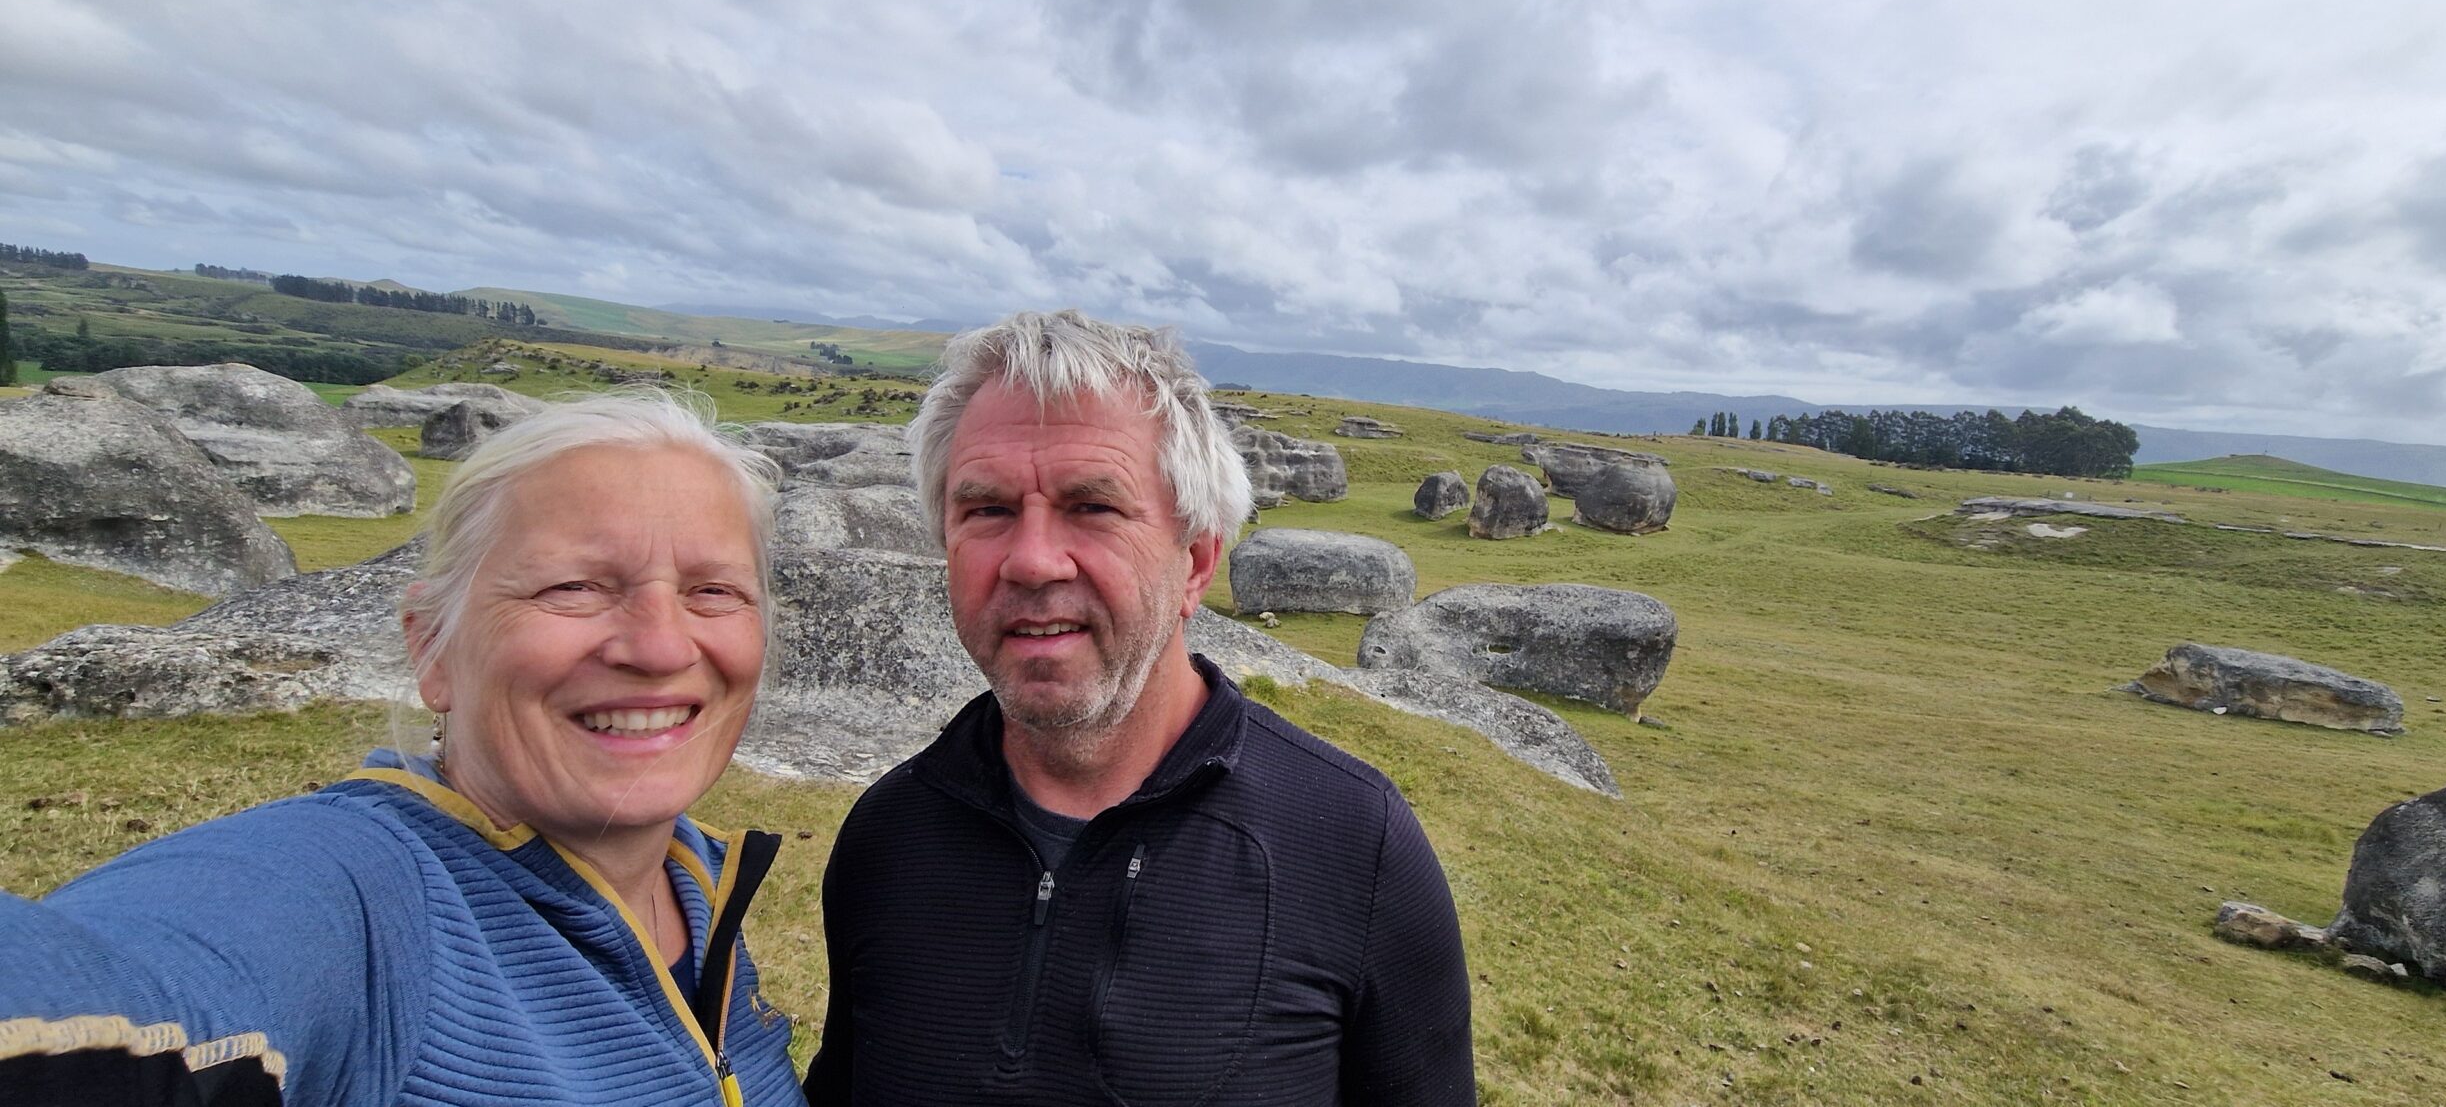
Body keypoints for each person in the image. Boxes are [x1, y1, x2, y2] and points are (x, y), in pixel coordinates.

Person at [0, 390, 805, 1107]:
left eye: (713, 590)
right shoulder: (354, 896)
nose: (661, 647)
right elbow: (124, 976)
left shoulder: (699, 885)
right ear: (432, 649)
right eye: (574, 586)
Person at [802, 310, 1475, 1105]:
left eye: (1093, 505)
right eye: (987, 509)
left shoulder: (1356, 850)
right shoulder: (886, 839)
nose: (1032, 561)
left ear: (1197, 560)